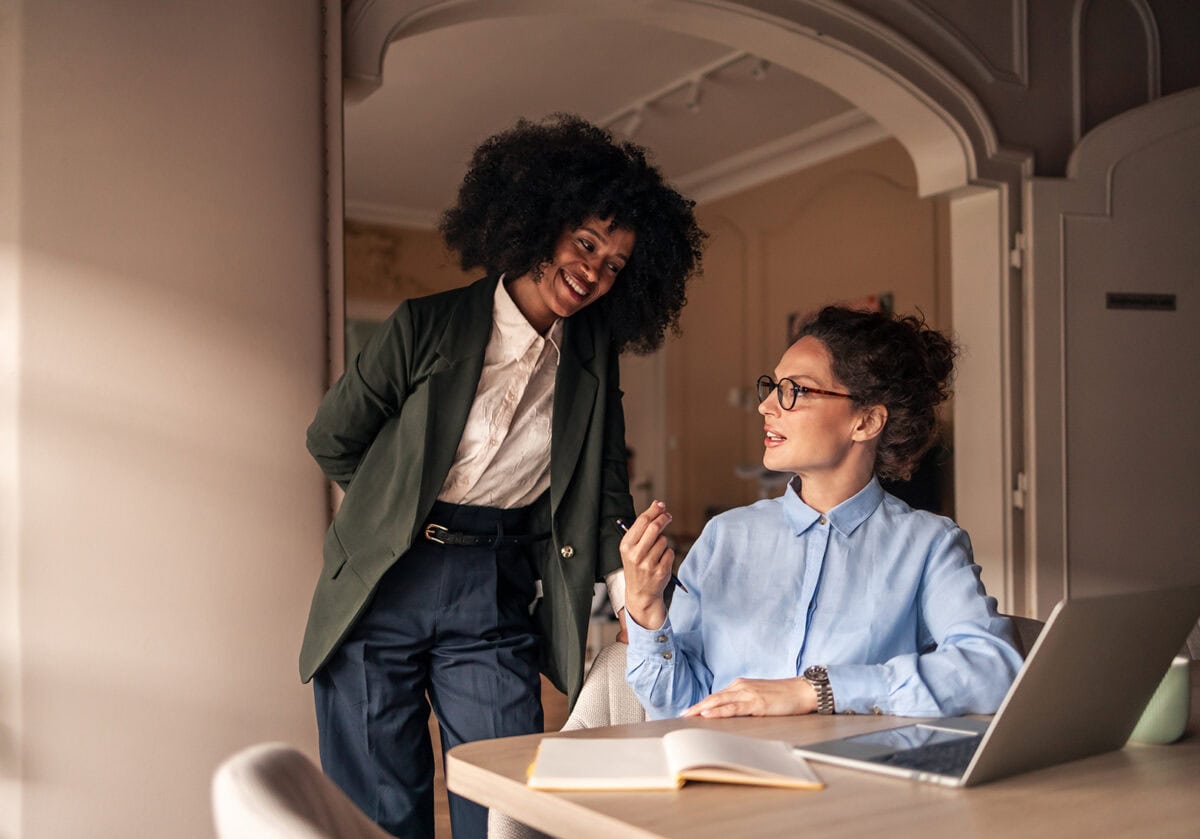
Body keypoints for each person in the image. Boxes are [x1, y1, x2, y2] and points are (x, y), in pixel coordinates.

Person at [301, 114, 705, 837]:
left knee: (507, 798)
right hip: (382, 583)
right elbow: (333, 438)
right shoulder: (424, 325)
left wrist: (632, 610)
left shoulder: (591, 362)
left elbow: (607, 486)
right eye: (585, 242)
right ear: (538, 223)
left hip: (494, 585)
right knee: (377, 807)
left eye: (614, 263)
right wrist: (393, 505)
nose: (593, 270)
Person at [619, 306, 1022, 721]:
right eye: (773, 387)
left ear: (866, 421)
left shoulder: (928, 544)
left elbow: (993, 670)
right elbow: (674, 707)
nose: (767, 407)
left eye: (796, 390)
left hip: (855, 779)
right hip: (727, 774)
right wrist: (645, 607)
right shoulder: (725, 536)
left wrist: (819, 689)